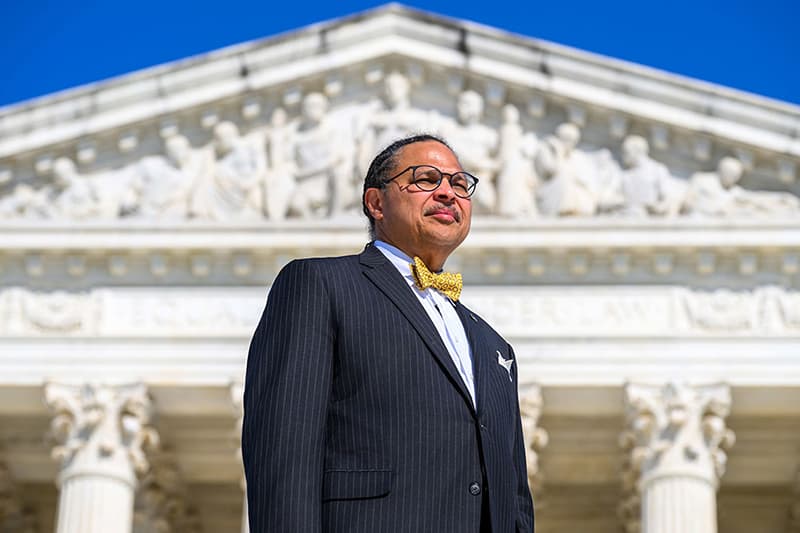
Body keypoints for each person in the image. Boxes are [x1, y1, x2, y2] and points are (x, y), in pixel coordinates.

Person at [242, 134, 534, 533]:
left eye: (460, 184)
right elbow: (283, 453)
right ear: (376, 203)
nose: (448, 193)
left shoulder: (493, 346)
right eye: (426, 179)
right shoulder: (321, 286)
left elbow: (514, 498)